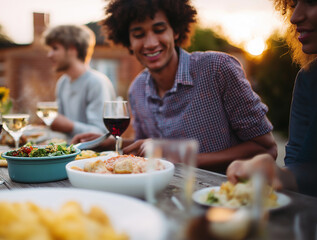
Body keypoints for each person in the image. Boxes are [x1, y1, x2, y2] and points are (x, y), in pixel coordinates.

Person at [72, 0, 277, 173]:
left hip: (224, 198)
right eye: (139, 34)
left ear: (176, 32)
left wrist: (180, 157)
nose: (150, 43)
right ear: (129, 42)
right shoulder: (137, 89)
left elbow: (265, 149)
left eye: (159, 30)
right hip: (164, 198)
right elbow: (149, 148)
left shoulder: (217, 69)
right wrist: (110, 142)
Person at [227, 0, 317, 197]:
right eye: (293, 5)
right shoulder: (308, 78)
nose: (294, 17)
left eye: (312, 2)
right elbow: (299, 163)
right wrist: (278, 174)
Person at [42, 25, 116, 139]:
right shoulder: (63, 83)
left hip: (96, 155)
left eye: (55, 48)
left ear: (72, 49)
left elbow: (102, 133)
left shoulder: (96, 82)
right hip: (70, 152)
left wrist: (69, 126)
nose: (49, 55)